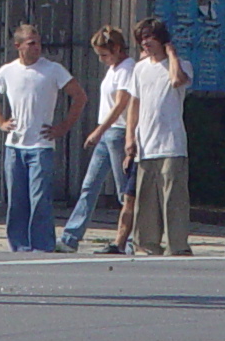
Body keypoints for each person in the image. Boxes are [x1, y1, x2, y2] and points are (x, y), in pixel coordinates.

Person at [0, 22, 85, 252]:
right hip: (15, 145)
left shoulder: (53, 70)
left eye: (38, 43)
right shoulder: (7, 71)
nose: (37, 47)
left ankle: (42, 244)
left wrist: (63, 127)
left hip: (41, 145)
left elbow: (79, 96)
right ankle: (20, 245)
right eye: (31, 43)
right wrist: (1, 121)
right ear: (18, 45)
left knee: (39, 198)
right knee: (17, 200)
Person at [56, 25, 137, 253]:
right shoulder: (114, 69)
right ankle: (71, 237)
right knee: (89, 186)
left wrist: (99, 130)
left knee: (125, 192)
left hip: (117, 131)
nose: (102, 59)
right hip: (107, 133)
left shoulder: (126, 69)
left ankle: (129, 239)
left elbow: (121, 103)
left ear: (117, 49)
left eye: (104, 54)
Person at [123, 15, 194, 257]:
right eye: (142, 39)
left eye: (150, 38)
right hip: (146, 145)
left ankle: (177, 246)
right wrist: (130, 139)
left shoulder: (181, 64)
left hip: (172, 144)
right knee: (146, 201)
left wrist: (171, 54)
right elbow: (134, 103)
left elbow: (177, 81)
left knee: (173, 199)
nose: (145, 43)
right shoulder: (140, 69)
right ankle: (147, 244)